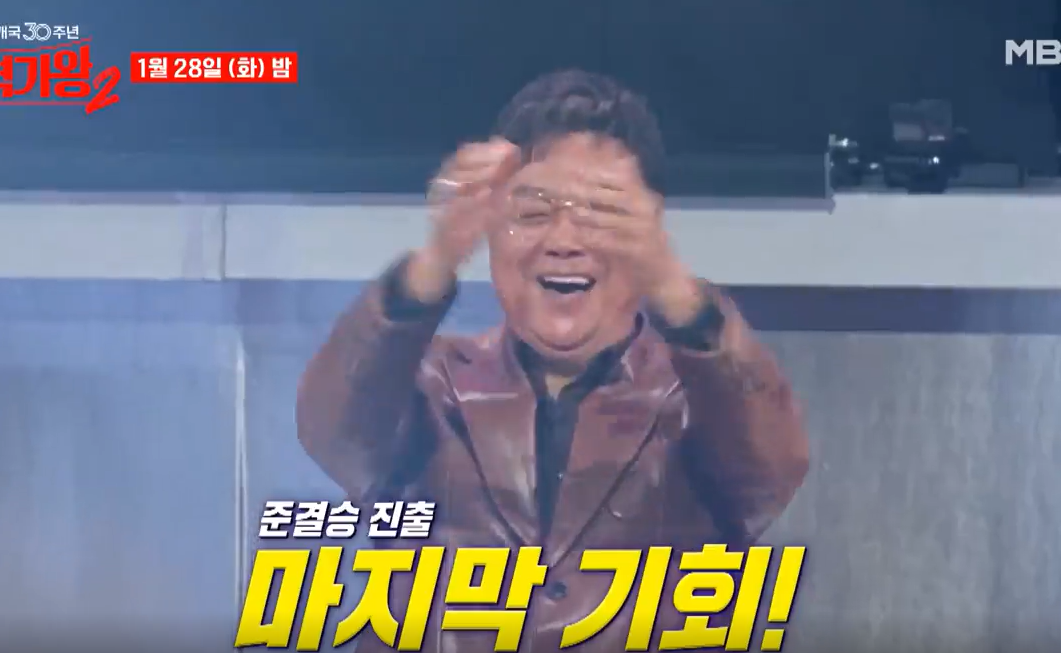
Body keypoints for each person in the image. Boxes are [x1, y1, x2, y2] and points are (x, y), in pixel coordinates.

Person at [297, 69, 809, 652]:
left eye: (600, 215)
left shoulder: (698, 400)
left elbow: (768, 472)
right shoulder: (431, 382)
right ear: (490, 233)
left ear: (649, 233)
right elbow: (336, 435)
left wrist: (676, 290)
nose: (564, 241)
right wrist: (432, 264)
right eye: (533, 214)